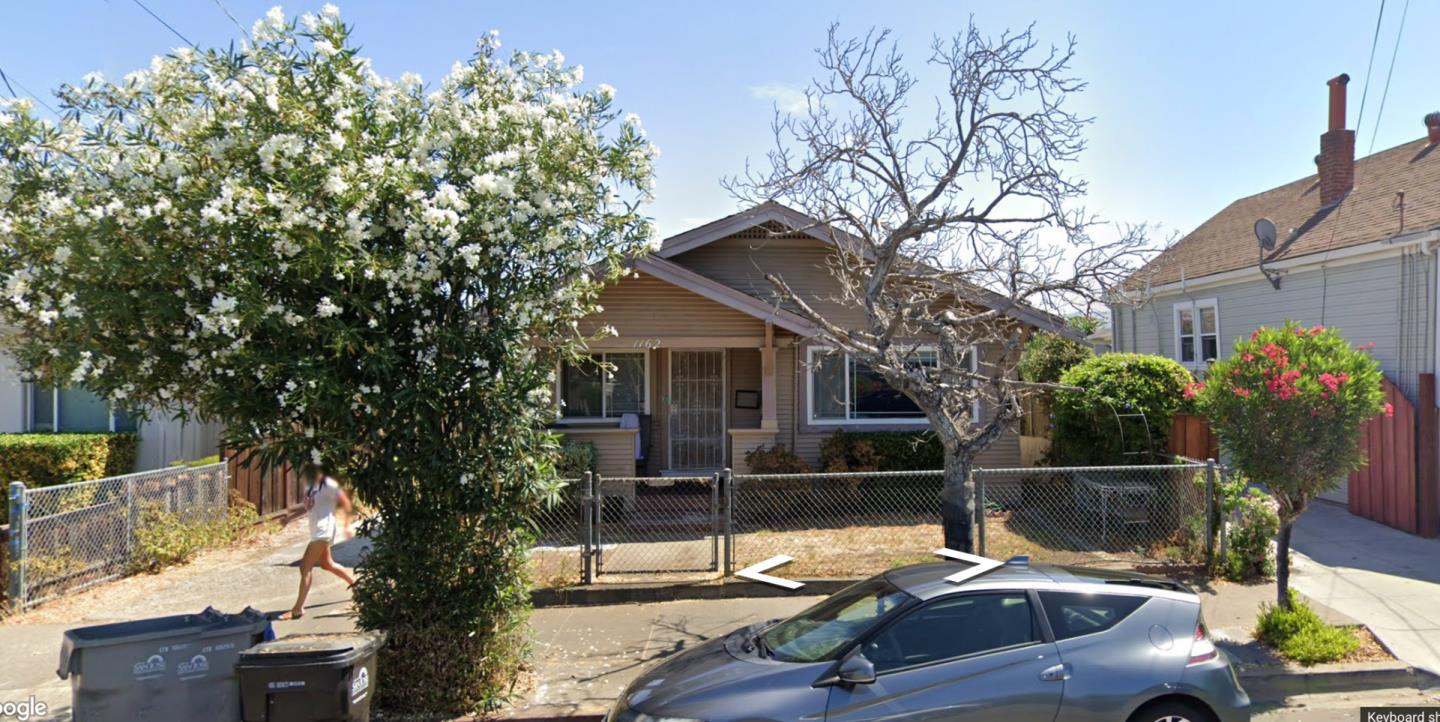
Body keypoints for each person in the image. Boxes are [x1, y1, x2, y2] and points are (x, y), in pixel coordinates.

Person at [278, 470, 356, 620]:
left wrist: (347, 524)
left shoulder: (329, 484)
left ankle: (297, 609)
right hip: (316, 530)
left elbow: (345, 501)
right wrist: (289, 519)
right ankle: (355, 584)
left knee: (305, 567)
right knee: (327, 564)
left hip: (324, 530)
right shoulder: (311, 485)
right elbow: (308, 507)